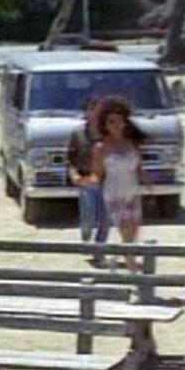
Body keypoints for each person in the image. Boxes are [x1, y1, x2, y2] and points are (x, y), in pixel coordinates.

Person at [91, 96, 148, 272]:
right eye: (111, 122)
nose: (116, 125)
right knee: (125, 231)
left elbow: (139, 168)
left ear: (125, 122)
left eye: (119, 121)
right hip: (114, 194)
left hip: (132, 192)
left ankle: (117, 260)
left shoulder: (132, 144)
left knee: (133, 234)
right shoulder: (101, 147)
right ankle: (133, 272)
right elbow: (97, 173)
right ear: (105, 124)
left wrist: (148, 183)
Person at [66, 97, 109, 265]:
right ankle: (86, 237)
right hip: (86, 179)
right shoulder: (78, 134)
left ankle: (99, 252)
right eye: (92, 109)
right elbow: (69, 158)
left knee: (106, 219)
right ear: (86, 112)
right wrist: (74, 174)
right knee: (88, 217)